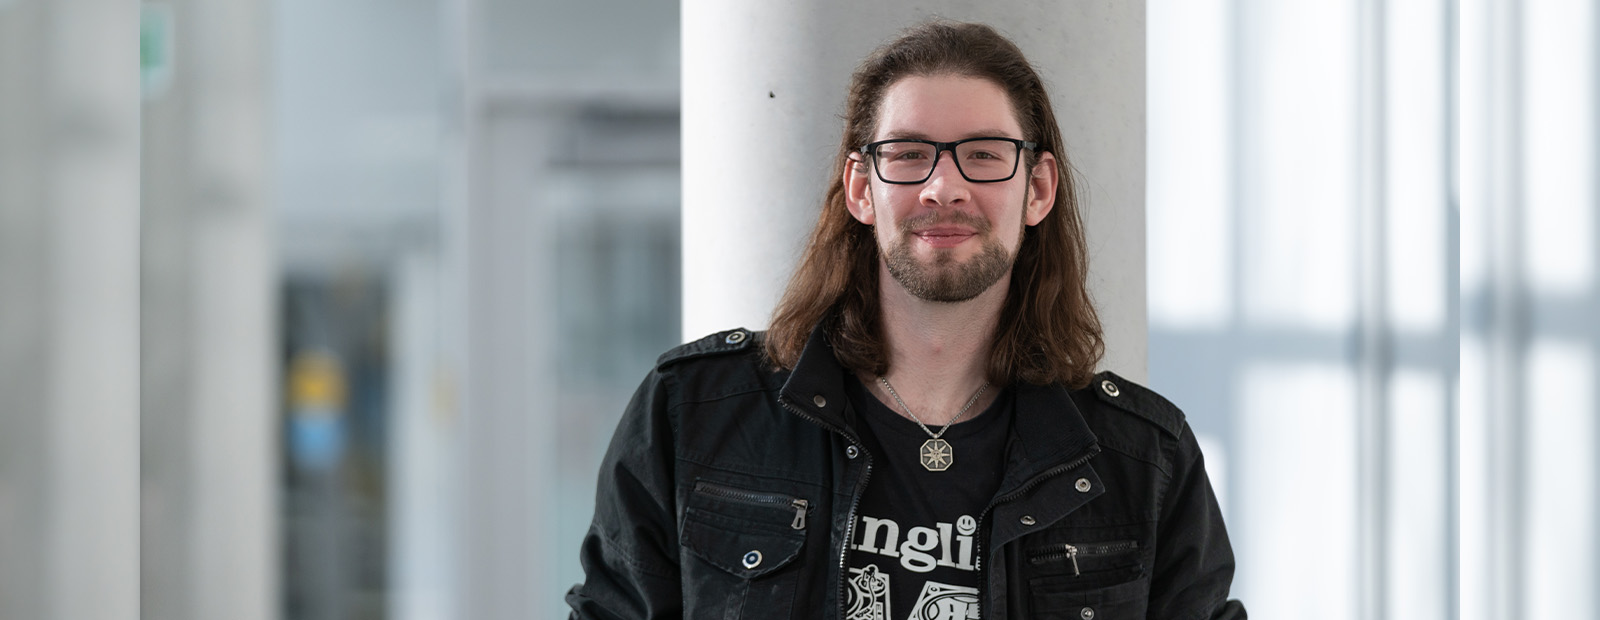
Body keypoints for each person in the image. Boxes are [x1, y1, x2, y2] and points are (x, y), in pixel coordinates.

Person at [567, 21, 1246, 620]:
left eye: (983, 154)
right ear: (863, 188)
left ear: (1036, 189)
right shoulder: (693, 415)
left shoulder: (1142, 463)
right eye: (909, 154)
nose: (943, 187)